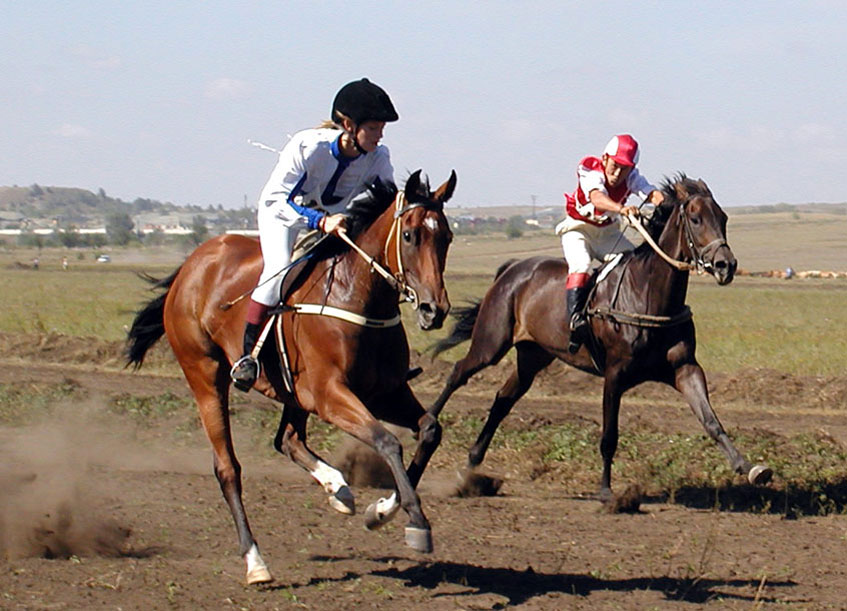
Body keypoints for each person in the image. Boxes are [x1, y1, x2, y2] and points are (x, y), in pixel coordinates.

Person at [230, 78, 399, 391]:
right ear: (348, 125)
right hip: (284, 216)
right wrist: (319, 222)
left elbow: (388, 199)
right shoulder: (307, 146)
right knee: (278, 267)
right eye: (374, 128)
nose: (380, 136)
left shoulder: (379, 157)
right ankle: (248, 357)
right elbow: (276, 200)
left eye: (382, 129)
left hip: (335, 220)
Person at [555, 134, 665, 353]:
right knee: (582, 264)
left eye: (625, 169)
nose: (618, 174)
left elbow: (650, 192)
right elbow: (597, 198)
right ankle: (575, 321)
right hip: (579, 231)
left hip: (607, 234)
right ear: (605, 159)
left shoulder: (631, 176)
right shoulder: (589, 169)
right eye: (615, 165)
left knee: (635, 264)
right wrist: (622, 209)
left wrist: (669, 203)